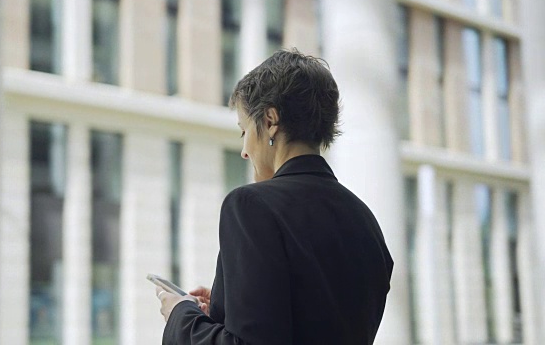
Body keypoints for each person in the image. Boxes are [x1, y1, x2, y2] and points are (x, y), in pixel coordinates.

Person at [155, 49, 393, 344]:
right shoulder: (365, 219)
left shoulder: (250, 206)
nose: (244, 150)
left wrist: (181, 316)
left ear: (269, 120)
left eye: (244, 131)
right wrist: (224, 304)